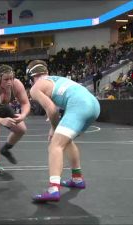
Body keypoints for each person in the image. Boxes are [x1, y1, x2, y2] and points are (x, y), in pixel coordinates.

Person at [27, 60, 100, 203]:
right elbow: (61, 105)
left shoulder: (35, 88)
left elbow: (52, 110)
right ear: (45, 73)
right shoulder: (56, 79)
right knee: (66, 141)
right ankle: (77, 178)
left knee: (55, 145)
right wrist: (54, 127)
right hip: (94, 105)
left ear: (31, 77)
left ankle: (53, 189)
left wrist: (54, 129)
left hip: (79, 106)